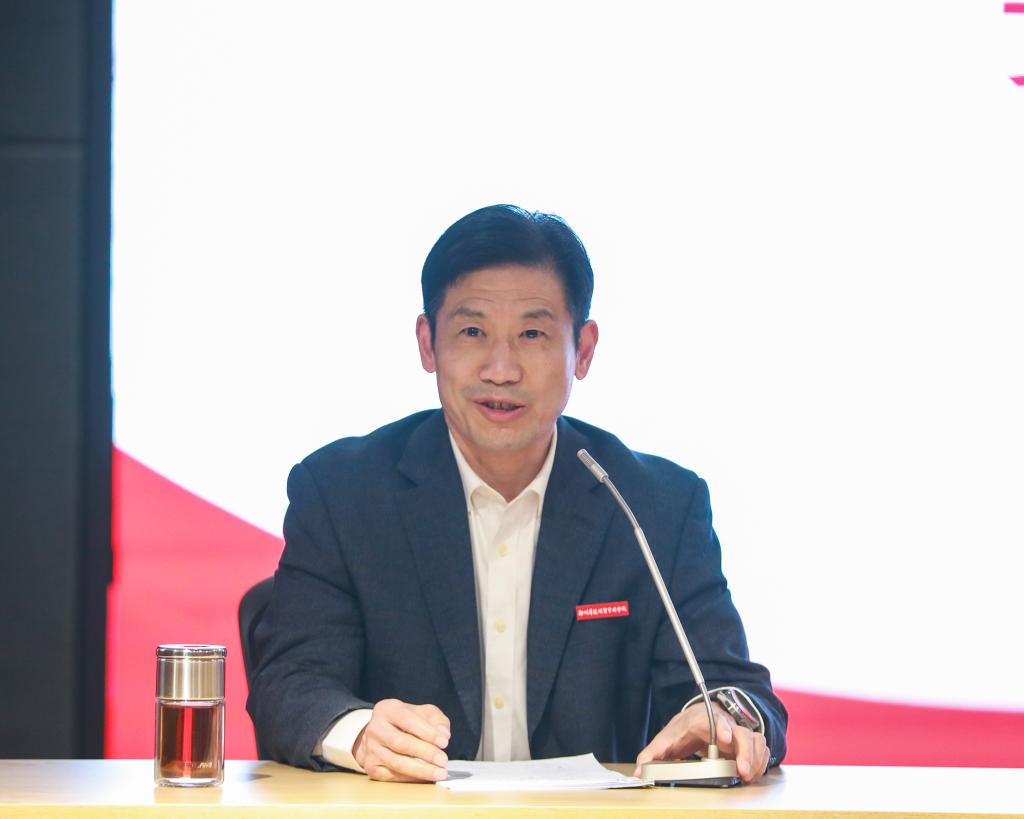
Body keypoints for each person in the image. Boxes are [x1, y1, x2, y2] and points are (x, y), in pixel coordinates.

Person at [247, 204, 787, 784]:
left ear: (583, 350)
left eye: (532, 334)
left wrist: (723, 720)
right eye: (472, 332)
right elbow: (290, 685)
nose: (501, 370)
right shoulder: (344, 493)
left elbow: (733, 690)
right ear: (427, 344)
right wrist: (360, 733)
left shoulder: (655, 505)